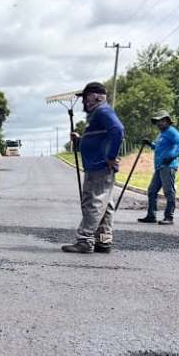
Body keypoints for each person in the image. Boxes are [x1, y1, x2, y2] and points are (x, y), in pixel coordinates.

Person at [62, 82, 125, 254]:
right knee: (105, 204)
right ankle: (103, 239)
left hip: (99, 165)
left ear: (97, 97)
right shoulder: (98, 114)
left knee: (93, 202)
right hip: (97, 164)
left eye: (86, 97)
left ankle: (85, 240)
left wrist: (111, 156)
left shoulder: (103, 111)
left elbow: (118, 130)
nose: (84, 102)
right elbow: (99, 139)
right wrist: (80, 140)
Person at [138, 110, 179, 225]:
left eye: (161, 121)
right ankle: (151, 216)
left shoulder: (171, 131)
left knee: (169, 191)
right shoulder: (162, 134)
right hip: (160, 167)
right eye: (157, 121)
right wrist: (150, 144)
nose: (158, 123)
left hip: (168, 166)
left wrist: (172, 156)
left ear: (167, 121)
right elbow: (159, 147)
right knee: (152, 191)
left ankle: (169, 217)